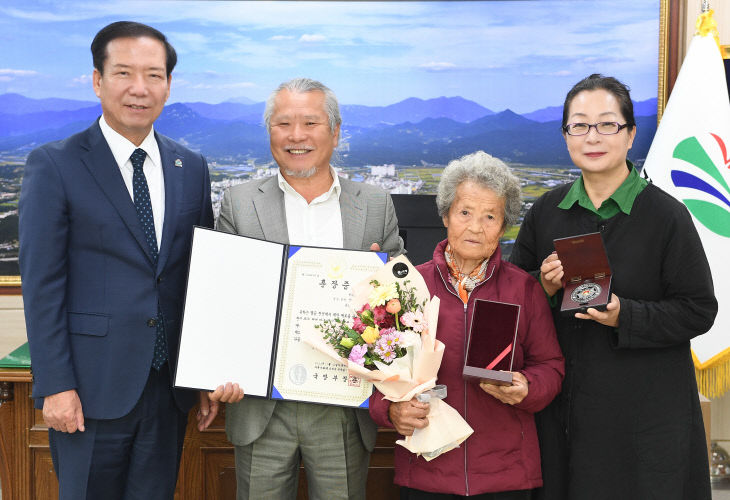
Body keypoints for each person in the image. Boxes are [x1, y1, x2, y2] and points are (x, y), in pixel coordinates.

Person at [18, 21, 241, 500]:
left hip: (167, 391)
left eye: (154, 75)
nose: (139, 89)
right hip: (89, 390)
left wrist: (201, 374)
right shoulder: (55, 164)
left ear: (168, 84)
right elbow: (42, 285)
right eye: (123, 73)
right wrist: (55, 385)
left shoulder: (190, 166)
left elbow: (196, 279)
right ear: (97, 81)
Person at [509, 74, 718, 500]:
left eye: (607, 124)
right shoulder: (547, 212)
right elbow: (514, 300)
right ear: (566, 135)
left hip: (645, 419)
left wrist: (628, 315)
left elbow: (699, 309)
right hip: (564, 414)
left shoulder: (666, 216)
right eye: (579, 125)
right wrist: (542, 288)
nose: (593, 136)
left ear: (631, 134)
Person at [216, 77, 404, 500]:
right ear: (270, 133)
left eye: (310, 123)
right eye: (283, 124)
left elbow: (402, 305)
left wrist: (381, 286)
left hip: (343, 404)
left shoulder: (374, 204)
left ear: (335, 133)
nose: (296, 136)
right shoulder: (239, 202)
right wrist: (217, 368)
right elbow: (222, 299)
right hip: (261, 404)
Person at [369, 151, 565, 499]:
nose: (476, 227)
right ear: (445, 215)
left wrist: (527, 386)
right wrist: (390, 410)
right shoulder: (407, 287)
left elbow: (551, 367)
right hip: (426, 468)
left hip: (506, 475)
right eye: (465, 213)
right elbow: (371, 370)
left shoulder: (525, 289)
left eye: (490, 216)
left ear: (504, 226)